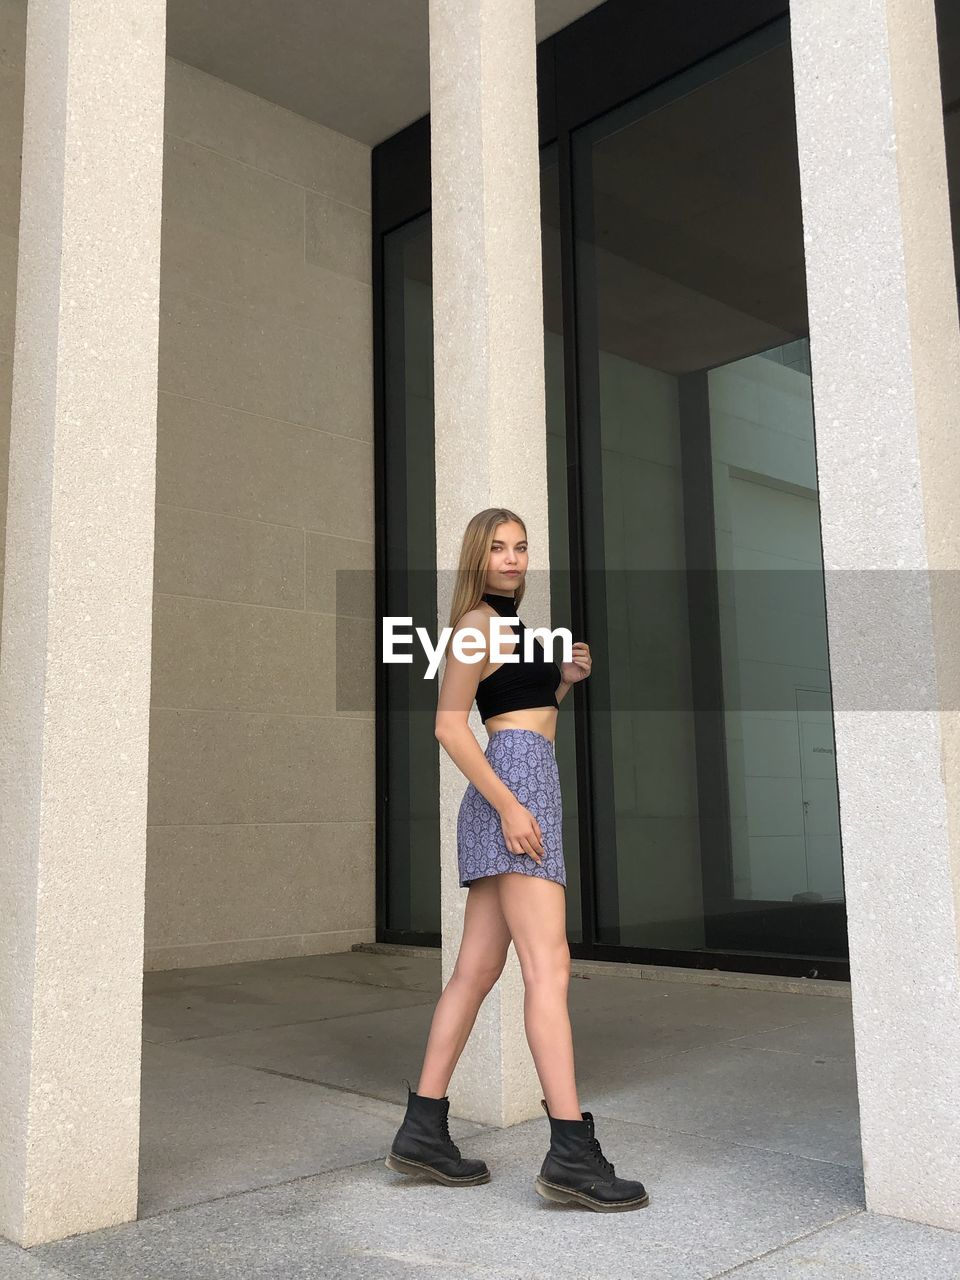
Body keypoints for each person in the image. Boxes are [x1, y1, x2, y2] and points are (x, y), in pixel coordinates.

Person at [384, 507, 650, 1212]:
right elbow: (449, 724)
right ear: (478, 556)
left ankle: (422, 1130)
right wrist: (508, 804)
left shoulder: (510, 629)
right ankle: (571, 1152)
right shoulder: (474, 625)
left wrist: (561, 682)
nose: (512, 557)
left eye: (521, 547)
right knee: (548, 968)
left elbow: (518, 712)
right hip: (514, 795)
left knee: (475, 971)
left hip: (522, 789)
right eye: (499, 547)